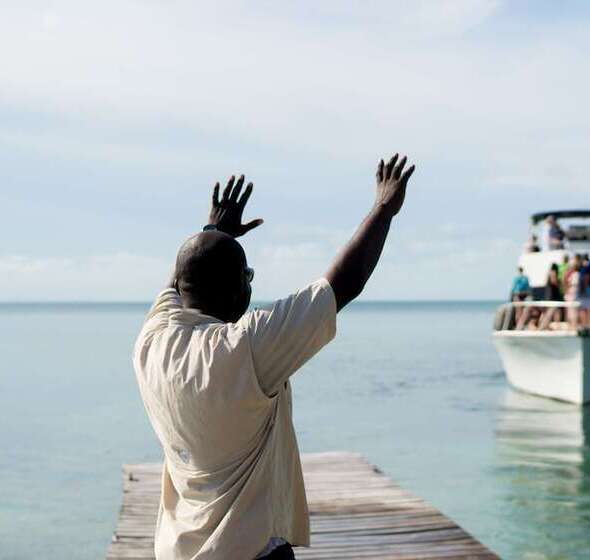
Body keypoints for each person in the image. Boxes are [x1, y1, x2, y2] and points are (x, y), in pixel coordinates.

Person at [132, 154, 415, 560]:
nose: (250, 285)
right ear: (233, 290)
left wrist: (214, 231)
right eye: (248, 276)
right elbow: (342, 286)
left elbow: (180, 279)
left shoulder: (151, 339)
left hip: (178, 549)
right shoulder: (244, 348)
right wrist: (384, 209)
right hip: (249, 551)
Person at [538, 263, 564, 329]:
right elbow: (554, 282)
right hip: (553, 295)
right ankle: (545, 326)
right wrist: (560, 283)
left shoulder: (548, 273)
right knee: (554, 311)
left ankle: (544, 326)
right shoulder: (553, 272)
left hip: (549, 294)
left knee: (549, 312)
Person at [579, 254, 590, 327]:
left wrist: (584, 289)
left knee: (584, 309)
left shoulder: (586, 267)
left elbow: (586, 278)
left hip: (587, 290)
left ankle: (585, 325)